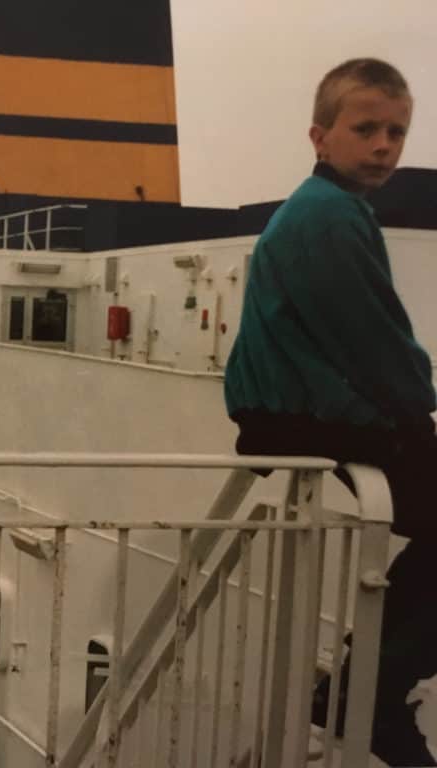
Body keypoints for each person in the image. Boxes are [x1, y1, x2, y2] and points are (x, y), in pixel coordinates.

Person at [224, 58, 435, 766]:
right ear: (321, 136)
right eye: (366, 128)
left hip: (295, 406)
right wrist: (422, 411)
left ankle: (364, 684)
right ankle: (366, 690)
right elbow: (373, 340)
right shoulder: (330, 219)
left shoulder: (328, 210)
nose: (384, 145)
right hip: (299, 412)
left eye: (397, 131)